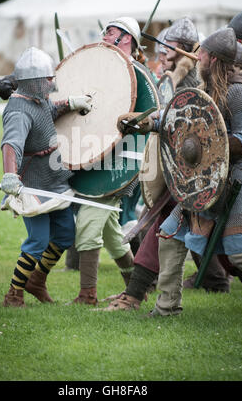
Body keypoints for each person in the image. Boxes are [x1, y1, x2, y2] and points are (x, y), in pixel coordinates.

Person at [102, 18, 231, 312]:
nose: (162, 51)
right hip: (188, 170)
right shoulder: (204, 83)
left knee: (236, 249)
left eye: (169, 46)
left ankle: (147, 294)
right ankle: (147, 296)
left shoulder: (232, 91)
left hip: (216, 175)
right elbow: (174, 115)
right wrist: (147, 122)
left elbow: (224, 135)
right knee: (169, 228)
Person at [143, 26, 242, 317]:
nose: (197, 57)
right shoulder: (207, 89)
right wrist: (149, 123)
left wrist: (211, 146)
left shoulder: (238, 91)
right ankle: (166, 308)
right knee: (170, 236)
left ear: (214, 59)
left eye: (202, 53)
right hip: (200, 183)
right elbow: (184, 123)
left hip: (234, 180)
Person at [0, 46, 92, 307]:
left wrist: (70, 103)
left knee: (65, 235)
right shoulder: (18, 110)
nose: (52, 82)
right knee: (38, 240)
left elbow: (48, 113)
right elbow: (11, 145)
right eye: (47, 78)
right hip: (32, 184)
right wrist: (10, 176)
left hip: (54, 181)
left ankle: (36, 281)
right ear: (32, 82)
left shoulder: (37, 100)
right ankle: (14, 293)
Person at [70, 17, 153, 305]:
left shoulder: (139, 74)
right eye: (105, 31)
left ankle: (87, 294)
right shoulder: (99, 71)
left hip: (121, 164)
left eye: (112, 32)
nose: (105, 35)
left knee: (88, 223)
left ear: (127, 38)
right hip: (95, 157)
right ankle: (135, 288)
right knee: (111, 232)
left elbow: (150, 117)